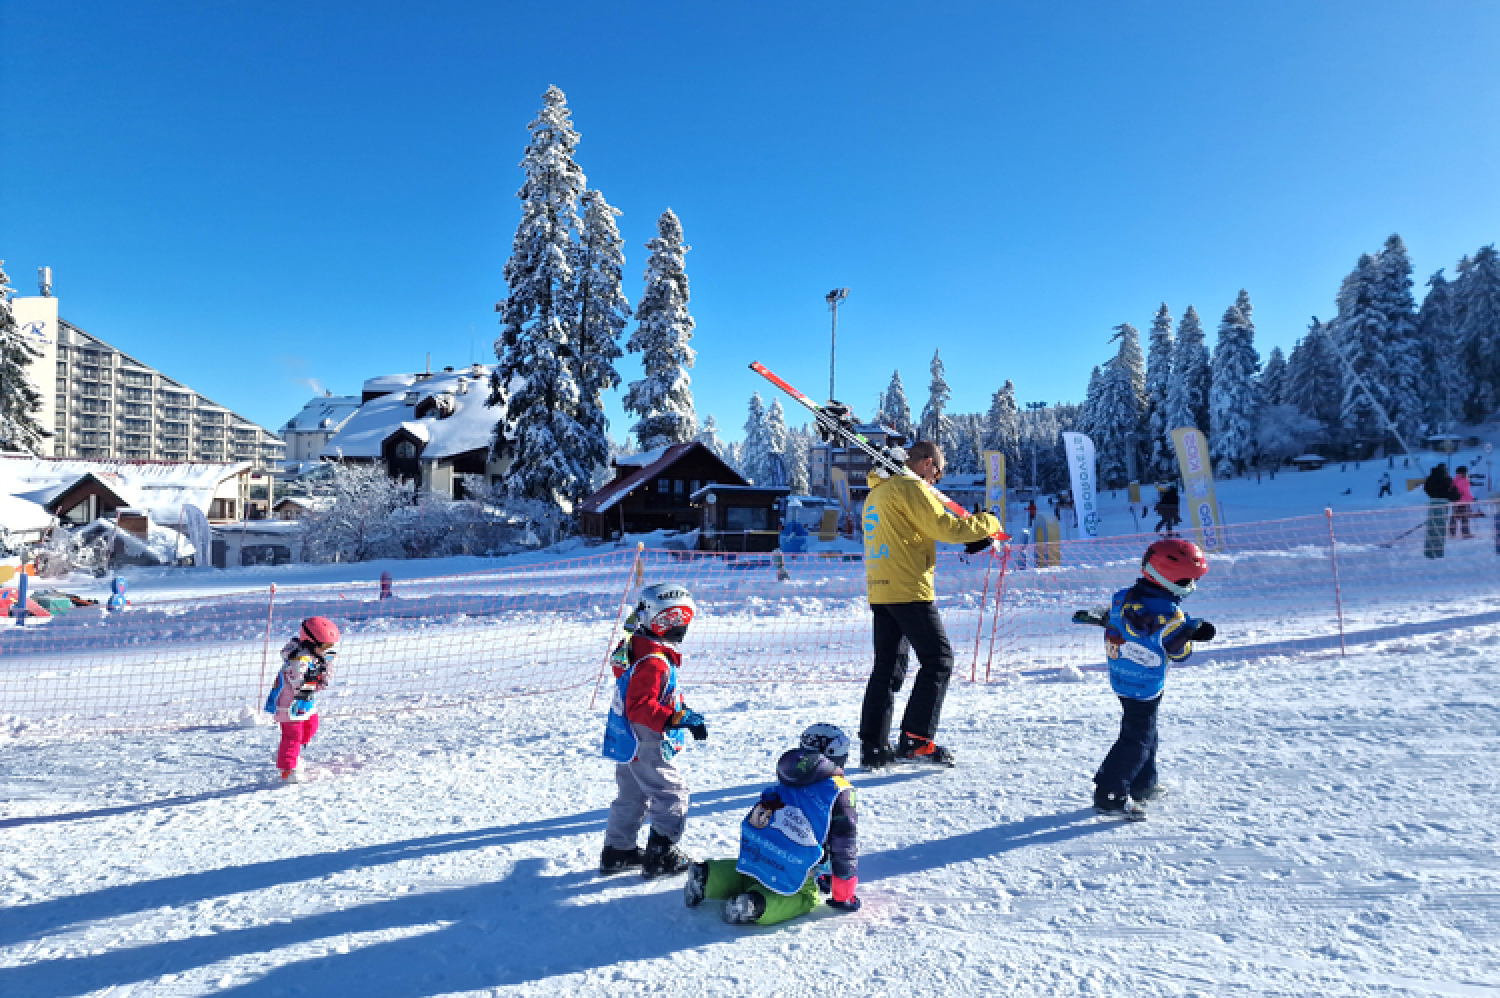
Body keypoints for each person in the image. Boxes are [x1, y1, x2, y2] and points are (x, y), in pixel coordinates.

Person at [859, 441, 1000, 769]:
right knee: (938, 660)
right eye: (938, 471)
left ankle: (874, 747)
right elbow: (944, 527)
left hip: (882, 588)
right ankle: (917, 740)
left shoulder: (877, 492)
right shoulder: (910, 486)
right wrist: (988, 523)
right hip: (908, 588)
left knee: (887, 668)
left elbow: (919, 532)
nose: (937, 480)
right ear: (924, 463)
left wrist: (971, 537)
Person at [684, 723, 860, 924]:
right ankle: (754, 905)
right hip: (793, 859)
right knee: (806, 896)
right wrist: (844, 895)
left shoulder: (791, 776)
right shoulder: (839, 791)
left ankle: (707, 876)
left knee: (752, 873)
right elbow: (844, 846)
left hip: (762, 847)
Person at [1093, 539, 1215, 819]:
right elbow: (1179, 652)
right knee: (1137, 739)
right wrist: (1189, 633)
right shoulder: (1171, 616)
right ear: (1166, 578)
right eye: (1186, 582)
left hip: (1122, 675)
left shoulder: (1123, 596)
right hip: (1145, 684)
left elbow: (1116, 621)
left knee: (1145, 733)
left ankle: (1143, 784)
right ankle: (1109, 795)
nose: (1191, 587)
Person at [600, 583, 707, 879]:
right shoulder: (654, 662)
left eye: (684, 619)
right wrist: (673, 719)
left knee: (632, 794)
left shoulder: (636, 646)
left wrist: (680, 711)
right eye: (672, 620)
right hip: (645, 737)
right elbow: (640, 705)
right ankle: (661, 853)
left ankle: (618, 851)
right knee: (671, 793)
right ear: (655, 620)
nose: (680, 627)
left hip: (627, 739)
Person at [264, 616, 339, 783]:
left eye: (330, 646)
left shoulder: (314, 656)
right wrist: (317, 679)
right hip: (289, 704)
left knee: (312, 724)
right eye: (325, 646)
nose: (327, 649)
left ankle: (291, 751)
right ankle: (288, 770)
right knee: (293, 735)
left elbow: (319, 684)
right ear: (310, 642)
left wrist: (327, 667)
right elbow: (303, 684)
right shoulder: (299, 661)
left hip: (304, 702)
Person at [1423, 464, 1460, 558]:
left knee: (1431, 528)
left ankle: (1429, 552)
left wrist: (1433, 495)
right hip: (1443, 504)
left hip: (1432, 502)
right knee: (1440, 529)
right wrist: (1454, 497)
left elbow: (1426, 489)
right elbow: (1454, 493)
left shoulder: (1430, 478)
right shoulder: (1447, 479)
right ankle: (1438, 552)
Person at [1450, 466, 1475, 539]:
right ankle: (1465, 533)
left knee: (1454, 517)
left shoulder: (1454, 480)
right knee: (1464, 518)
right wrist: (1471, 498)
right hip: (1463, 502)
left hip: (1455, 501)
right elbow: (1466, 492)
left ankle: (1452, 532)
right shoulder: (1464, 480)